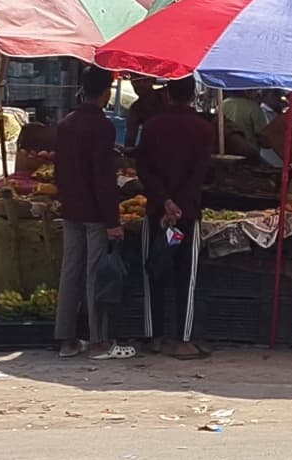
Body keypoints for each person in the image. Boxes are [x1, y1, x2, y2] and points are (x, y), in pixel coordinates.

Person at [53, 66, 130, 360]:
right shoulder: (102, 127)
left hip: (71, 207)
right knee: (94, 274)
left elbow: (61, 171)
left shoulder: (66, 123)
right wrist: (113, 220)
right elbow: (103, 178)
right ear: (107, 92)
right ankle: (98, 340)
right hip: (95, 212)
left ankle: (66, 339)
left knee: (70, 270)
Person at [137, 75, 213, 359]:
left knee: (154, 271)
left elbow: (144, 169)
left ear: (167, 95)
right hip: (187, 215)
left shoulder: (153, 126)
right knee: (186, 276)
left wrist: (165, 202)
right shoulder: (203, 129)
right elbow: (199, 175)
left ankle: (155, 336)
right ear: (193, 95)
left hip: (157, 212)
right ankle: (183, 339)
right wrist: (179, 206)